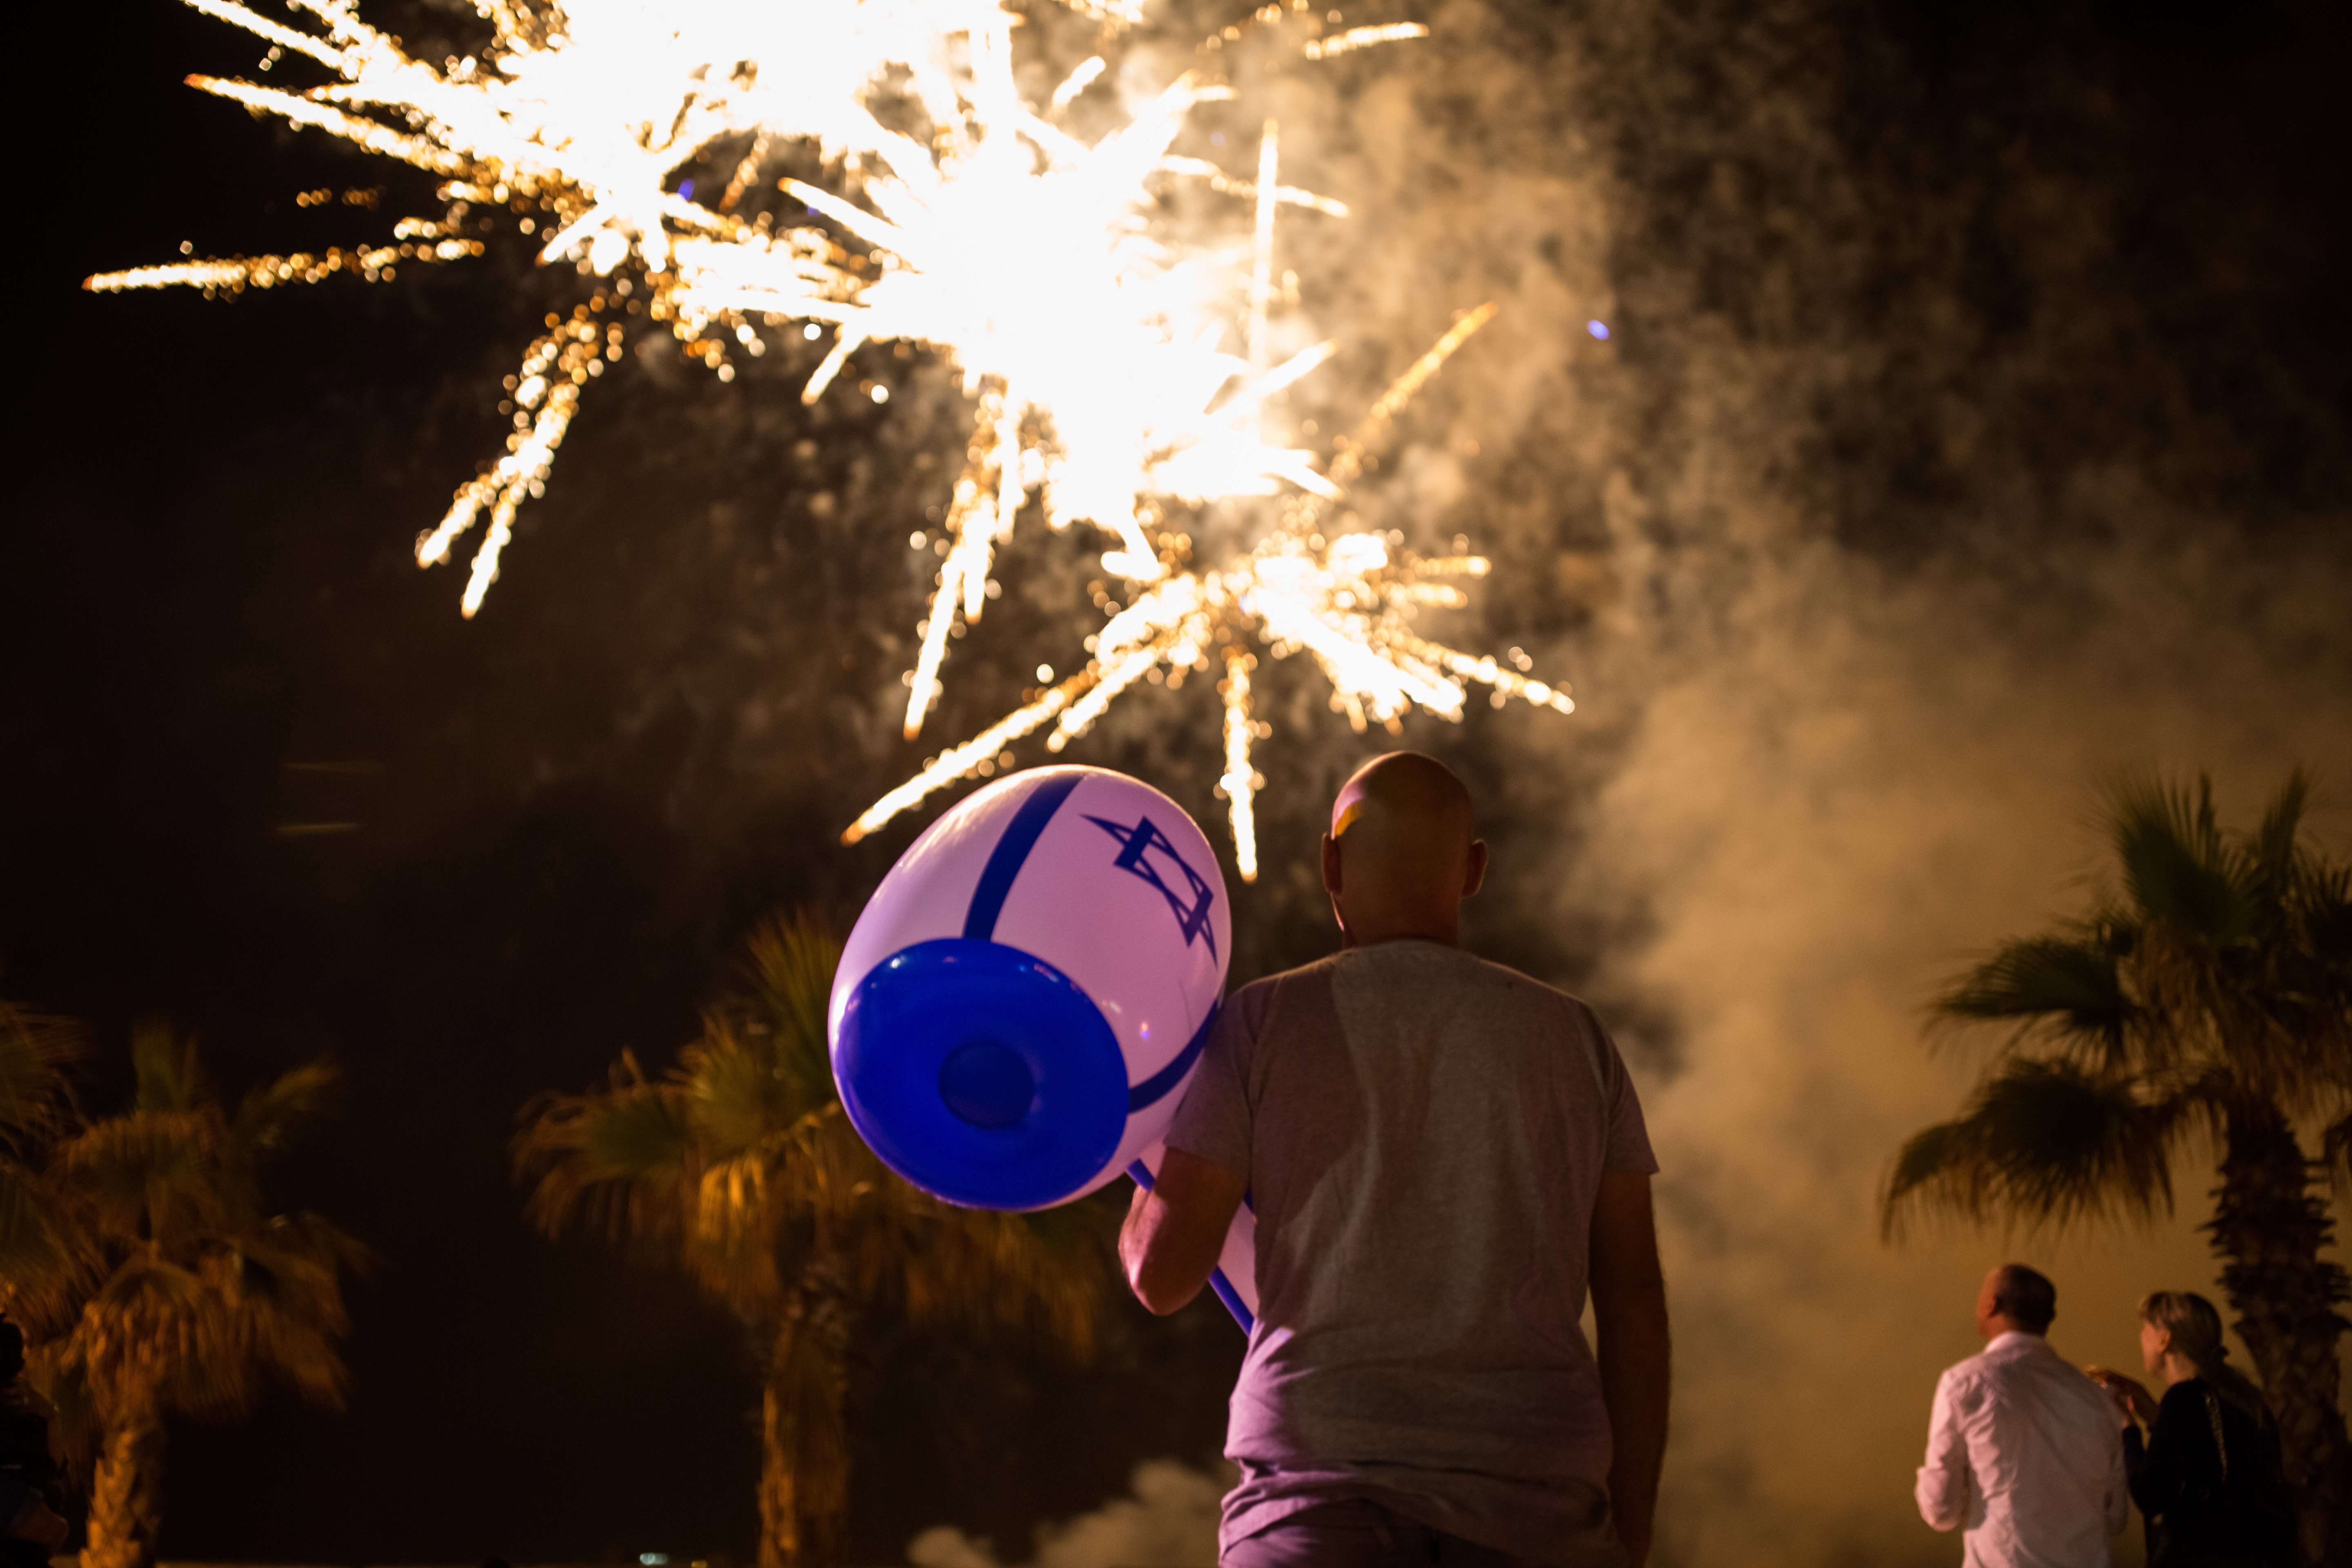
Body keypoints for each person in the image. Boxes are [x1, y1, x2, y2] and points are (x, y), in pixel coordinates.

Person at [1119, 752, 1669, 1568]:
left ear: (1329, 862)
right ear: (1475, 869)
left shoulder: (1262, 1024)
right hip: (1536, 1511)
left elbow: (1163, 1278)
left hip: (1312, 1507)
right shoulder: (1576, 1040)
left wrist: (1140, 1171)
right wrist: (1629, 1535)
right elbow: (1633, 1306)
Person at [1915, 1264, 2129, 1567]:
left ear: (1991, 1305)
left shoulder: (1963, 1383)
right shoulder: (2100, 1398)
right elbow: (2117, 1516)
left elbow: (1941, 1511)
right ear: (2048, 1317)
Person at [2087, 1292, 2295, 1568]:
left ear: (2164, 1339)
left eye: (2146, 1329)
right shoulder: (2241, 1396)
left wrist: (2128, 1427)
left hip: (2201, 1553)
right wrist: (2154, 1415)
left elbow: (2149, 1493)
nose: (2142, 1338)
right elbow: (2203, 1453)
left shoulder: (2183, 1398)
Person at [0, 1322, 67, 1565]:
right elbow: (53, 1465)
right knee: (58, 1530)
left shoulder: (28, 1404)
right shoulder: (25, 1404)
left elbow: (54, 1465)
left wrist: (49, 1414)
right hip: (12, 1499)